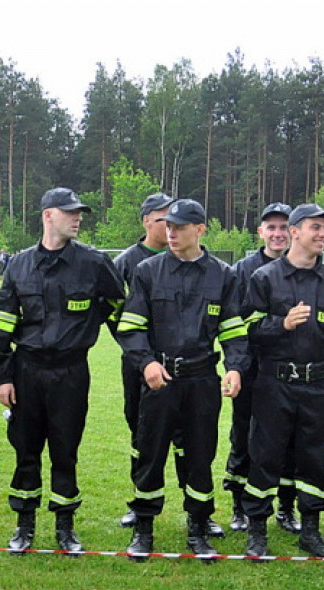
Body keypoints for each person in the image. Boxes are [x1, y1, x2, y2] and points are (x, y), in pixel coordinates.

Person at [0, 187, 125, 555]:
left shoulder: (94, 263)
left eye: (79, 212)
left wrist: (91, 327)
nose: (77, 217)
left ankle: (65, 527)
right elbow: (2, 325)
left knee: (66, 451)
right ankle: (24, 525)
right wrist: (3, 377)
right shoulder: (18, 265)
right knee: (26, 450)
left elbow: (117, 305)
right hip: (26, 371)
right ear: (48, 215)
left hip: (70, 372)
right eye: (70, 212)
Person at [116, 198, 247, 560]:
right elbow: (130, 327)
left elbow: (233, 329)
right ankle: (143, 529)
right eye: (167, 227)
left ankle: (198, 527)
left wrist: (235, 366)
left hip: (202, 379)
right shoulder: (148, 270)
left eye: (179, 228)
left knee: (200, 456)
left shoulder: (224, 275)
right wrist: (146, 364)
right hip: (159, 380)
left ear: (200, 230)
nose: (171, 233)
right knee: (150, 453)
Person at [239, 204, 324, 558]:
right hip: (274, 384)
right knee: (265, 456)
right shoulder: (265, 278)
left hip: (321, 386)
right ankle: (257, 531)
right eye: (316, 227)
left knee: (312, 458)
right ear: (294, 232)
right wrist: (282, 324)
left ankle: (310, 530)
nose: (323, 234)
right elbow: (245, 330)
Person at [225, 203, 300, 534]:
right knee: (243, 435)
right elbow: (237, 323)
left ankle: (286, 507)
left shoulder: (300, 268)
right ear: (260, 232)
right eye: (271, 227)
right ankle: (239, 507)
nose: (278, 233)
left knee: (289, 439)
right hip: (251, 366)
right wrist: (237, 368)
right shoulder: (243, 269)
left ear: (293, 231)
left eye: (284, 227)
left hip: (288, 369)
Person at [113, 193, 172, 529]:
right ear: (147, 220)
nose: (170, 224)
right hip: (139, 365)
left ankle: (197, 513)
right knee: (141, 432)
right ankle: (140, 502)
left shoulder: (184, 259)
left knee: (185, 439)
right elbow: (115, 316)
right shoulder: (125, 263)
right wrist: (138, 353)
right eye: (164, 217)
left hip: (182, 363)